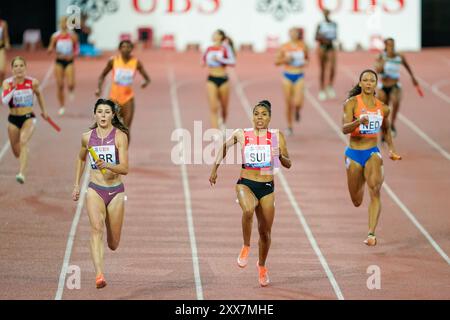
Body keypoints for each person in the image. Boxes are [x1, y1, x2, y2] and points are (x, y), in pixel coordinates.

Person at [209, 100, 291, 287]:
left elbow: (288, 164)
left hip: (267, 187)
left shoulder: (277, 136)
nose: (259, 117)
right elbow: (224, 146)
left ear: (269, 117)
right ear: (252, 116)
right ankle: (246, 246)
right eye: (256, 114)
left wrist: (279, 155)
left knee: (265, 232)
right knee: (247, 210)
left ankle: (262, 267)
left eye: (263, 114)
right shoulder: (242, 134)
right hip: (245, 183)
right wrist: (215, 169)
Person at [72, 98, 129, 289]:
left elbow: (125, 168)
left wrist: (109, 165)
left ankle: (110, 231)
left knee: (113, 243)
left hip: (115, 191)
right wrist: (76, 185)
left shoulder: (120, 136)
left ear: (113, 115)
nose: (103, 115)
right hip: (95, 189)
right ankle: (99, 274)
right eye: (100, 112)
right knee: (96, 228)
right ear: (94, 114)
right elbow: (80, 159)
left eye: (107, 112)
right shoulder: (87, 137)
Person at [342, 69, 402, 246]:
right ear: (360, 83)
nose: (368, 83)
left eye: (372, 80)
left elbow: (386, 130)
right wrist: (358, 122)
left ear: (376, 84)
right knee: (356, 200)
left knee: (375, 190)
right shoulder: (351, 103)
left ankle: (371, 233)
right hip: (353, 154)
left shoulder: (383, 108)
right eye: (365, 80)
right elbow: (344, 129)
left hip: (372, 152)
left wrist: (391, 150)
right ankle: (358, 186)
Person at [1, 57, 49, 184]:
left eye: (21, 65)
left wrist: (44, 111)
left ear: (25, 67)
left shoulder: (33, 82)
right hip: (13, 119)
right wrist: (13, 88)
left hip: (28, 117)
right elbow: (4, 101)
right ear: (12, 69)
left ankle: (21, 173)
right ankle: (24, 153)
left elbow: (39, 94)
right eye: (16, 66)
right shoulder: (7, 83)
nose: (19, 68)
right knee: (17, 151)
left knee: (23, 141)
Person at [96, 40, 150, 139]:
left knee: (125, 129)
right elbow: (102, 76)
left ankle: (123, 152)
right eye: (124, 47)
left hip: (128, 99)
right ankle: (114, 150)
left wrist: (145, 83)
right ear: (120, 49)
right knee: (111, 128)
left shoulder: (136, 62)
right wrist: (98, 89)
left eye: (128, 47)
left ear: (131, 49)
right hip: (114, 99)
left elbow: (147, 78)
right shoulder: (113, 61)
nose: (126, 49)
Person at [375, 38, 418, 137]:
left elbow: (407, 66)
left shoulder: (399, 56)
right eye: (389, 45)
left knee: (395, 102)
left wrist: (412, 77)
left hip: (395, 85)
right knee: (383, 111)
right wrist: (384, 62)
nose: (392, 47)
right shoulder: (381, 56)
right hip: (383, 86)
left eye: (393, 45)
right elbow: (378, 70)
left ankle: (393, 124)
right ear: (385, 46)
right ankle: (383, 131)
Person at [275, 27, 309, 136]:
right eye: (292, 33)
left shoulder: (303, 45)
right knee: (288, 103)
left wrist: (303, 62)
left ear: (298, 34)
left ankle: (297, 110)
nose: (294, 34)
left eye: (296, 33)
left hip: (299, 75)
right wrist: (285, 60)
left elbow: (307, 59)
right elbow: (277, 61)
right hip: (287, 75)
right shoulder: (284, 46)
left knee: (298, 102)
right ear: (289, 34)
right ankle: (289, 126)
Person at [203, 29, 236, 130]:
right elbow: (203, 61)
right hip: (211, 78)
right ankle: (215, 131)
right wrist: (206, 62)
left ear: (220, 37)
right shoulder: (208, 49)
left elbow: (233, 62)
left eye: (215, 34)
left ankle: (223, 123)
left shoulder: (225, 48)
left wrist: (220, 59)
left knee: (224, 107)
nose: (212, 35)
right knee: (213, 108)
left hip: (223, 79)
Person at [48, 16, 79, 116]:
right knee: (60, 85)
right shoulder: (55, 36)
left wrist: (72, 55)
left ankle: (71, 89)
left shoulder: (73, 36)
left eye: (65, 22)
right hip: (59, 62)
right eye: (62, 22)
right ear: (59, 24)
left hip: (69, 61)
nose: (64, 24)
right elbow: (50, 48)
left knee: (70, 83)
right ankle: (62, 106)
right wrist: (51, 50)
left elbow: (77, 50)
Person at [315, 8, 338, 101]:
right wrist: (322, 38)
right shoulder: (320, 24)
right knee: (322, 68)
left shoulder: (334, 24)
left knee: (333, 67)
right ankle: (321, 89)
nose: (326, 15)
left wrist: (329, 38)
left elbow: (335, 35)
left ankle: (330, 86)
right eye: (324, 13)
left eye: (327, 13)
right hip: (322, 47)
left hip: (331, 46)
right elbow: (316, 37)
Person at [0, 14, 11, 90]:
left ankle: (1, 88)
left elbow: (6, 36)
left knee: (2, 71)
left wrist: (7, 43)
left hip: (1, 48)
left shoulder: (3, 23)